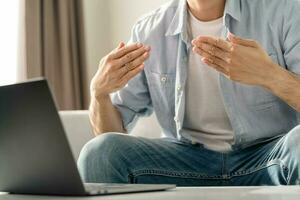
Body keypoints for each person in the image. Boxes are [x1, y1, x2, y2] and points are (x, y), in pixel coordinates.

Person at [77, 0, 300, 186]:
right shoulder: (149, 31)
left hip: (268, 157)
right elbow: (109, 134)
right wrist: (99, 94)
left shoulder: (284, 11)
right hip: (185, 162)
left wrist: (269, 75)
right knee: (100, 153)